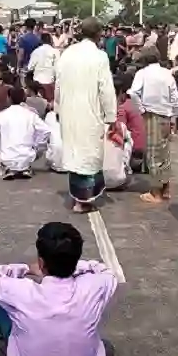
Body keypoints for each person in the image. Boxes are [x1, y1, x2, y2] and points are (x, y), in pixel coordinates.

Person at [0, 222, 118, 356]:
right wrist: (74, 265)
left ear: (41, 262)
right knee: (105, 347)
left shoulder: (21, 291)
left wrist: (25, 269)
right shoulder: (94, 286)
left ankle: (5, 342)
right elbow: (106, 272)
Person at [54, 18, 117, 213]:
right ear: (99, 35)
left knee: (75, 154)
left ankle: (79, 197)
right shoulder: (99, 57)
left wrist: (58, 108)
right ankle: (83, 200)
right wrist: (111, 117)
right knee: (88, 156)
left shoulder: (67, 54)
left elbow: (58, 84)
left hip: (68, 111)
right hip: (90, 113)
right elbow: (106, 89)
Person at [127, 45, 178, 203]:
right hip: (166, 115)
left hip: (151, 115)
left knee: (153, 154)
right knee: (164, 152)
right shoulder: (167, 74)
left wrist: (141, 109)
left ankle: (156, 192)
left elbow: (133, 93)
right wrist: (174, 117)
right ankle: (166, 188)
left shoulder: (142, 74)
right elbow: (175, 98)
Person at [0, 88, 50, 179]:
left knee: (2, 147)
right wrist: (36, 146)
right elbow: (45, 131)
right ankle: (24, 168)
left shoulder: (1, 116)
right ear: (24, 98)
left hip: (6, 158)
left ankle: (8, 168)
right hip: (27, 157)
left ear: (9, 98)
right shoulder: (31, 115)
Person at [114, 75, 146, 173]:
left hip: (134, 151)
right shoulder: (135, 103)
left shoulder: (122, 108)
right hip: (143, 148)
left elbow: (119, 131)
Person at [27, 33, 59, 102]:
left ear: (41, 40)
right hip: (50, 82)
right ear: (51, 40)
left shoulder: (36, 51)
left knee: (38, 106)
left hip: (37, 84)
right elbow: (58, 69)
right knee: (50, 105)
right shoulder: (56, 52)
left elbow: (30, 67)